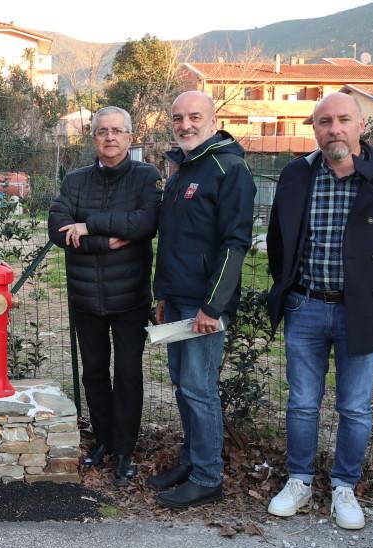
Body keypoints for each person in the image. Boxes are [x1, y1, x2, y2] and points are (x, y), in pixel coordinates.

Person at [264, 92, 373, 530]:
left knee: (355, 408)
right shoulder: (297, 176)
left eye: (342, 120)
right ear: (314, 129)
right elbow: (278, 239)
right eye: (324, 122)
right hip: (307, 306)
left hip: (365, 313)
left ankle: (344, 487)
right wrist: (286, 288)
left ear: (360, 126)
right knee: (301, 403)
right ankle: (298, 480)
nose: (333, 129)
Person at [149, 91, 256, 508]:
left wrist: (212, 307)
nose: (185, 124)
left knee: (199, 388)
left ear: (213, 120)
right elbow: (172, 240)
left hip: (204, 307)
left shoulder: (228, 169)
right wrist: (162, 294)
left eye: (194, 117)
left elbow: (235, 244)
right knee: (182, 386)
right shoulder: (183, 168)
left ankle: (209, 478)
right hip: (177, 302)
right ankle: (191, 462)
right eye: (177, 118)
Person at [47, 106, 160, 487]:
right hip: (86, 299)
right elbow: (56, 228)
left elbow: (145, 223)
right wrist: (105, 241)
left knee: (128, 374)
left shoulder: (146, 176)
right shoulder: (76, 181)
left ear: (130, 137)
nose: (109, 137)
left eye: (117, 131)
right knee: (94, 374)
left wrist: (88, 225)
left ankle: (125, 450)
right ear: (93, 138)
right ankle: (104, 442)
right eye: (102, 131)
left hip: (129, 299)